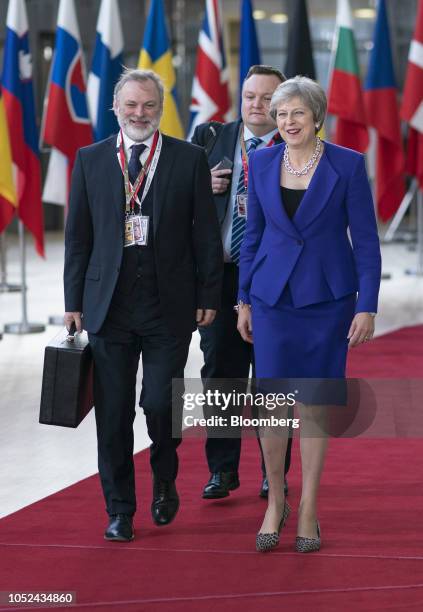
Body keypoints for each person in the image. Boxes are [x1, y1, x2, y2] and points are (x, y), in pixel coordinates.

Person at [64, 68, 222, 542]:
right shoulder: (90, 159)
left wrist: (209, 294)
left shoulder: (188, 158)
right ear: (116, 108)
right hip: (107, 307)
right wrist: (73, 302)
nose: (140, 113)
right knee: (113, 416)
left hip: (168, 307)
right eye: (131, 105)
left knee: (158, 405)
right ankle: (120, 510)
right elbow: (78, 238)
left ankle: (165, 479)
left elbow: (205, 235)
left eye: (149, 105)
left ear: (160, 108)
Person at [237, 76, 381, 552]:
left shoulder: (347, 164)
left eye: (297, 113)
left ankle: (309, 509)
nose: (287, 122)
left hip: (327, 301)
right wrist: (244, 299)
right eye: (280, 114)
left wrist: (367, 305)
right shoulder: (259, 162)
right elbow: (252, 236)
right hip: (272, 300)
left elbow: (366, 242)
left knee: (314, 408)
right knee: (273, 406)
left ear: (316, 116)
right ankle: (275, 501)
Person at [191, 65, 292, 500]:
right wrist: (200, 186)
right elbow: (176, 202)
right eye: (250, 96)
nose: (257, 105)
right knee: (220, 374)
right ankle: (223, 470)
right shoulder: (207, 138)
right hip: (220, 277)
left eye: (267, 98)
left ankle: (274, 472)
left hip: (276, 280)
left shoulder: (296, 146)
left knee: (274, 377)